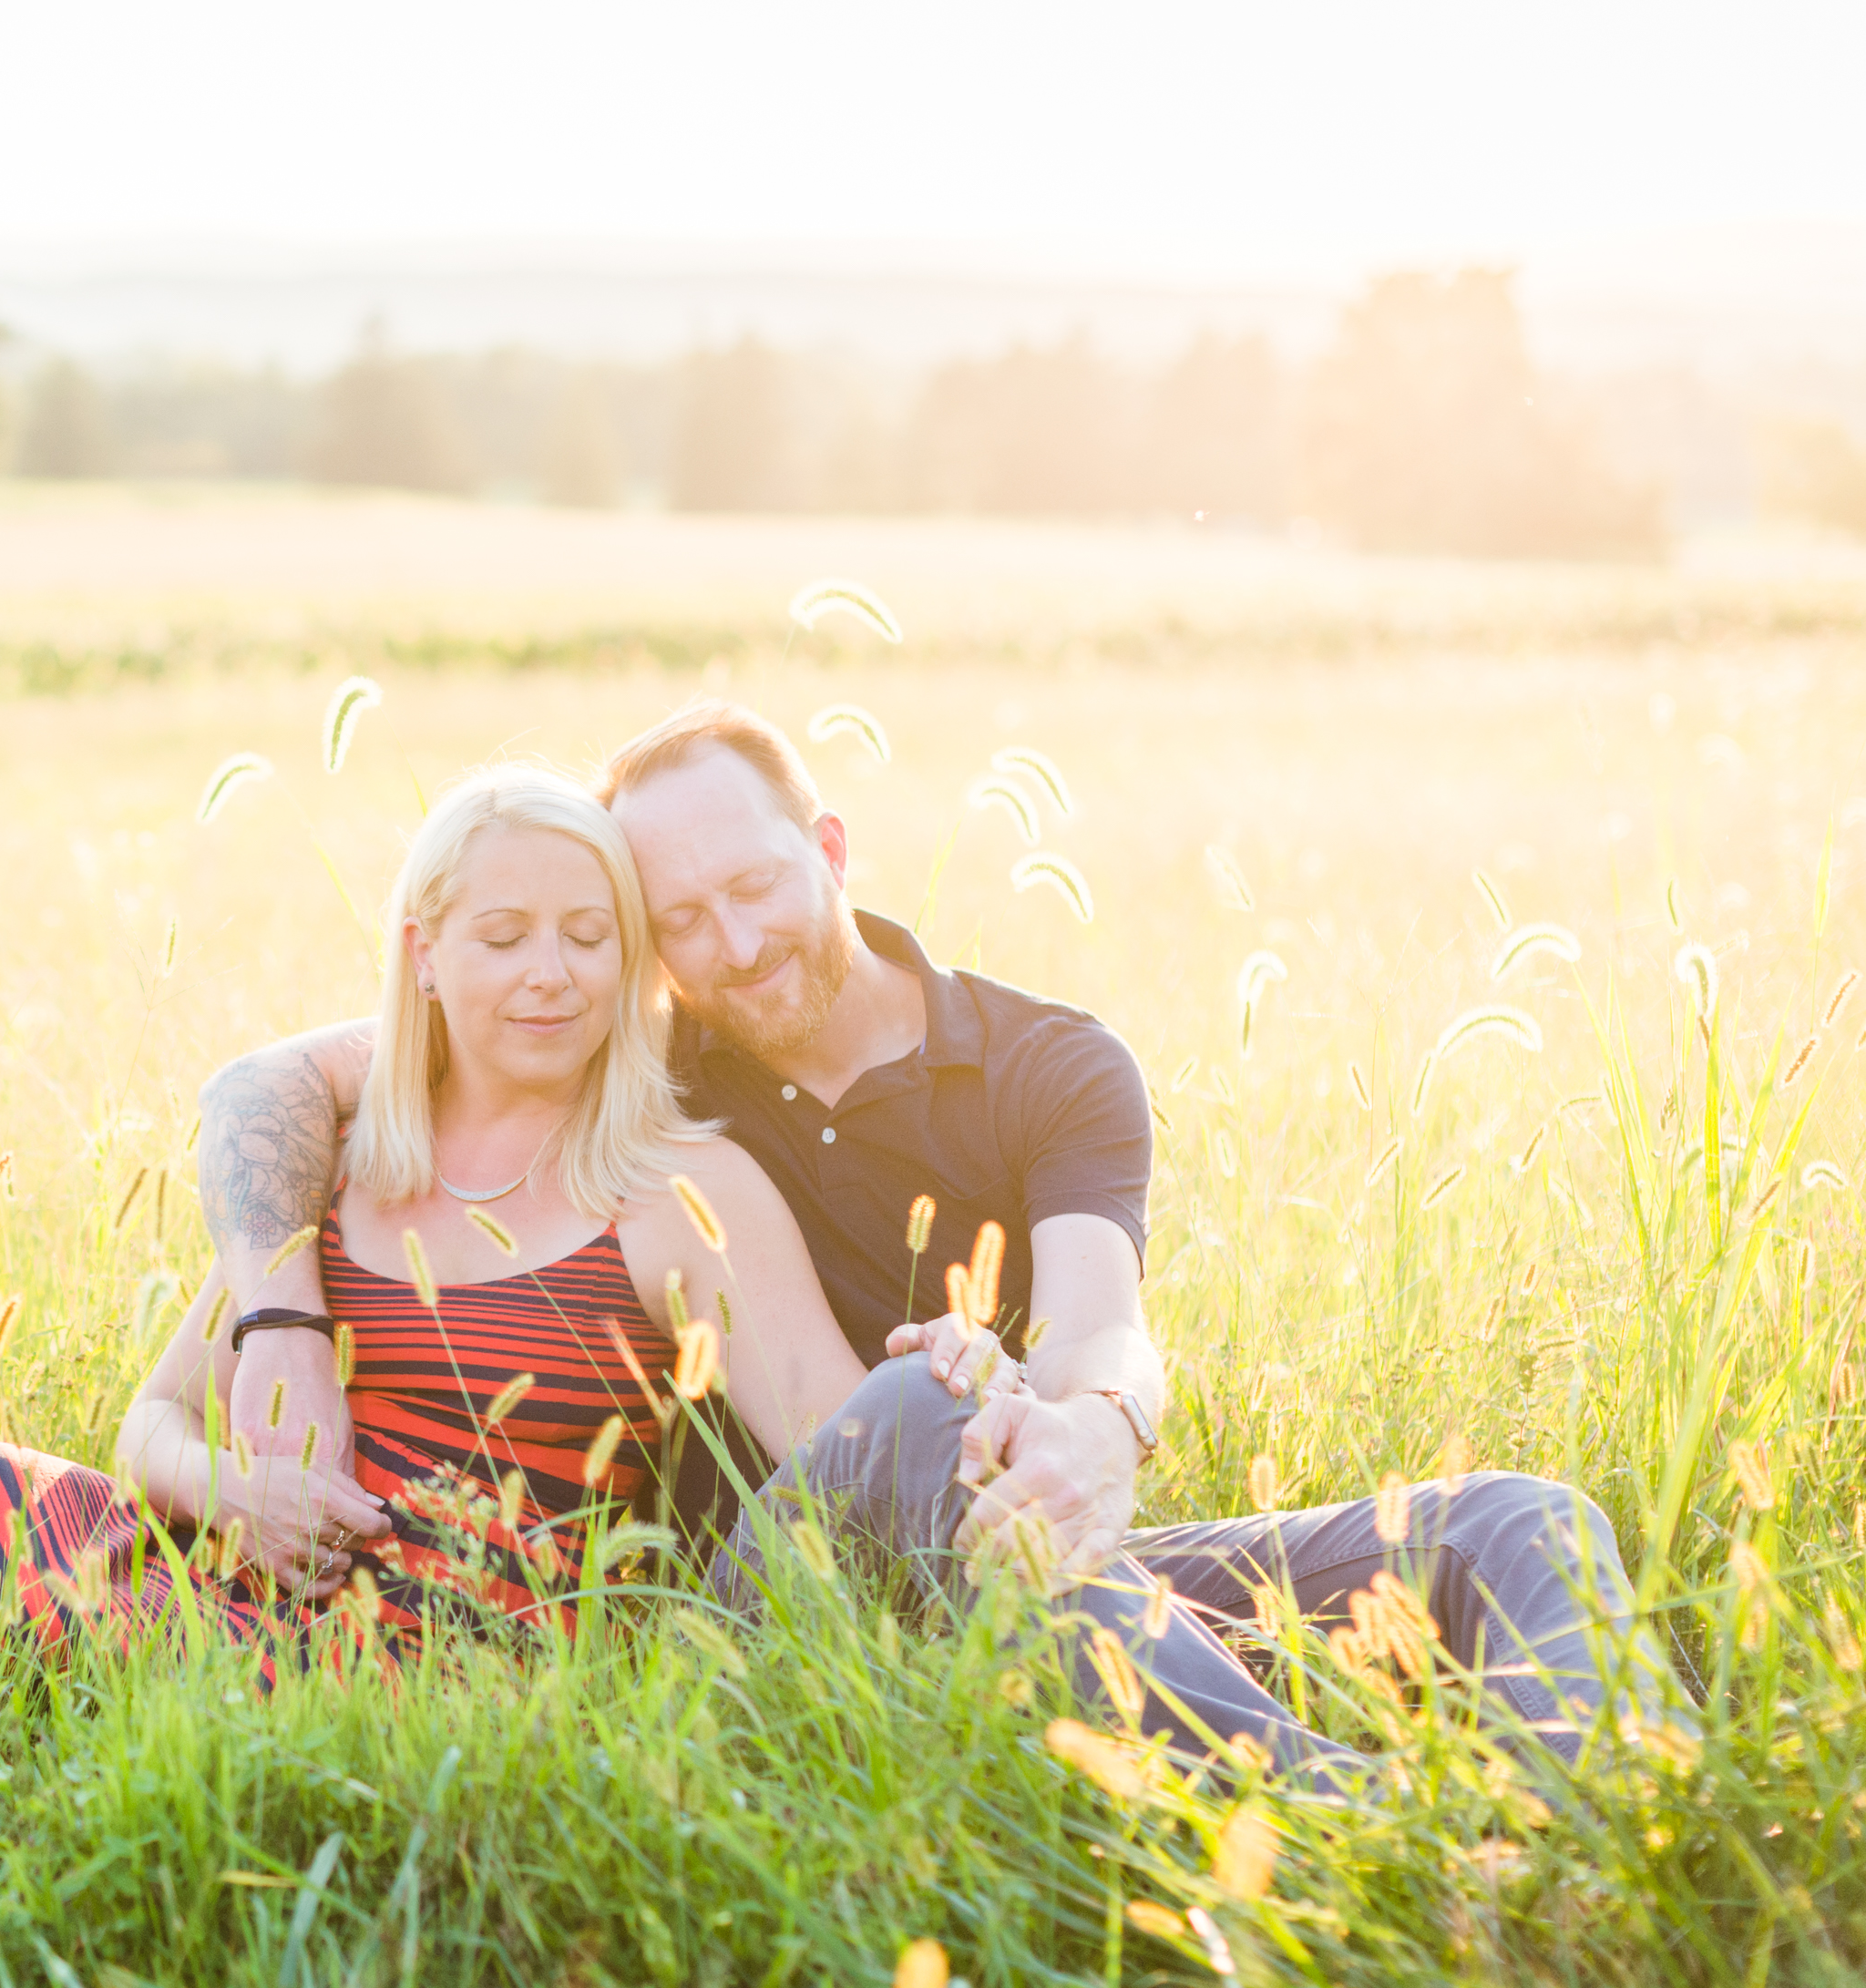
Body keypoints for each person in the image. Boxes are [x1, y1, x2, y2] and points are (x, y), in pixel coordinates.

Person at [196, 700, 1678, 1783]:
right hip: (771, 1607)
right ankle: (1355, 1822)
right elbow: (272, 1085)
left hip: (1009, 1540)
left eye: (757, 887)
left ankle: (1610, 1821)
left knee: (1518, 1519)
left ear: (829, 850)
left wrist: (1097, 1428)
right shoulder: (643, 1066)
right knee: (932, 1410)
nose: (732, 945)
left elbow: (1101, 1322)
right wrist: (279, 1327)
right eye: (680, 922)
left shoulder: (1048, 1066)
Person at [0, 763, 935, 1662]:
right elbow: (152, 1426)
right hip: (230, 1574)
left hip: (442, 1652)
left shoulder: (680, 1190)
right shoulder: (340, 1167)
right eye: (504, 936)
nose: (550, 974)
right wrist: (237, 1494)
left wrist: (969, 1399)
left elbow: (847, 1449)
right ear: (425, 955)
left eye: (590, 938)